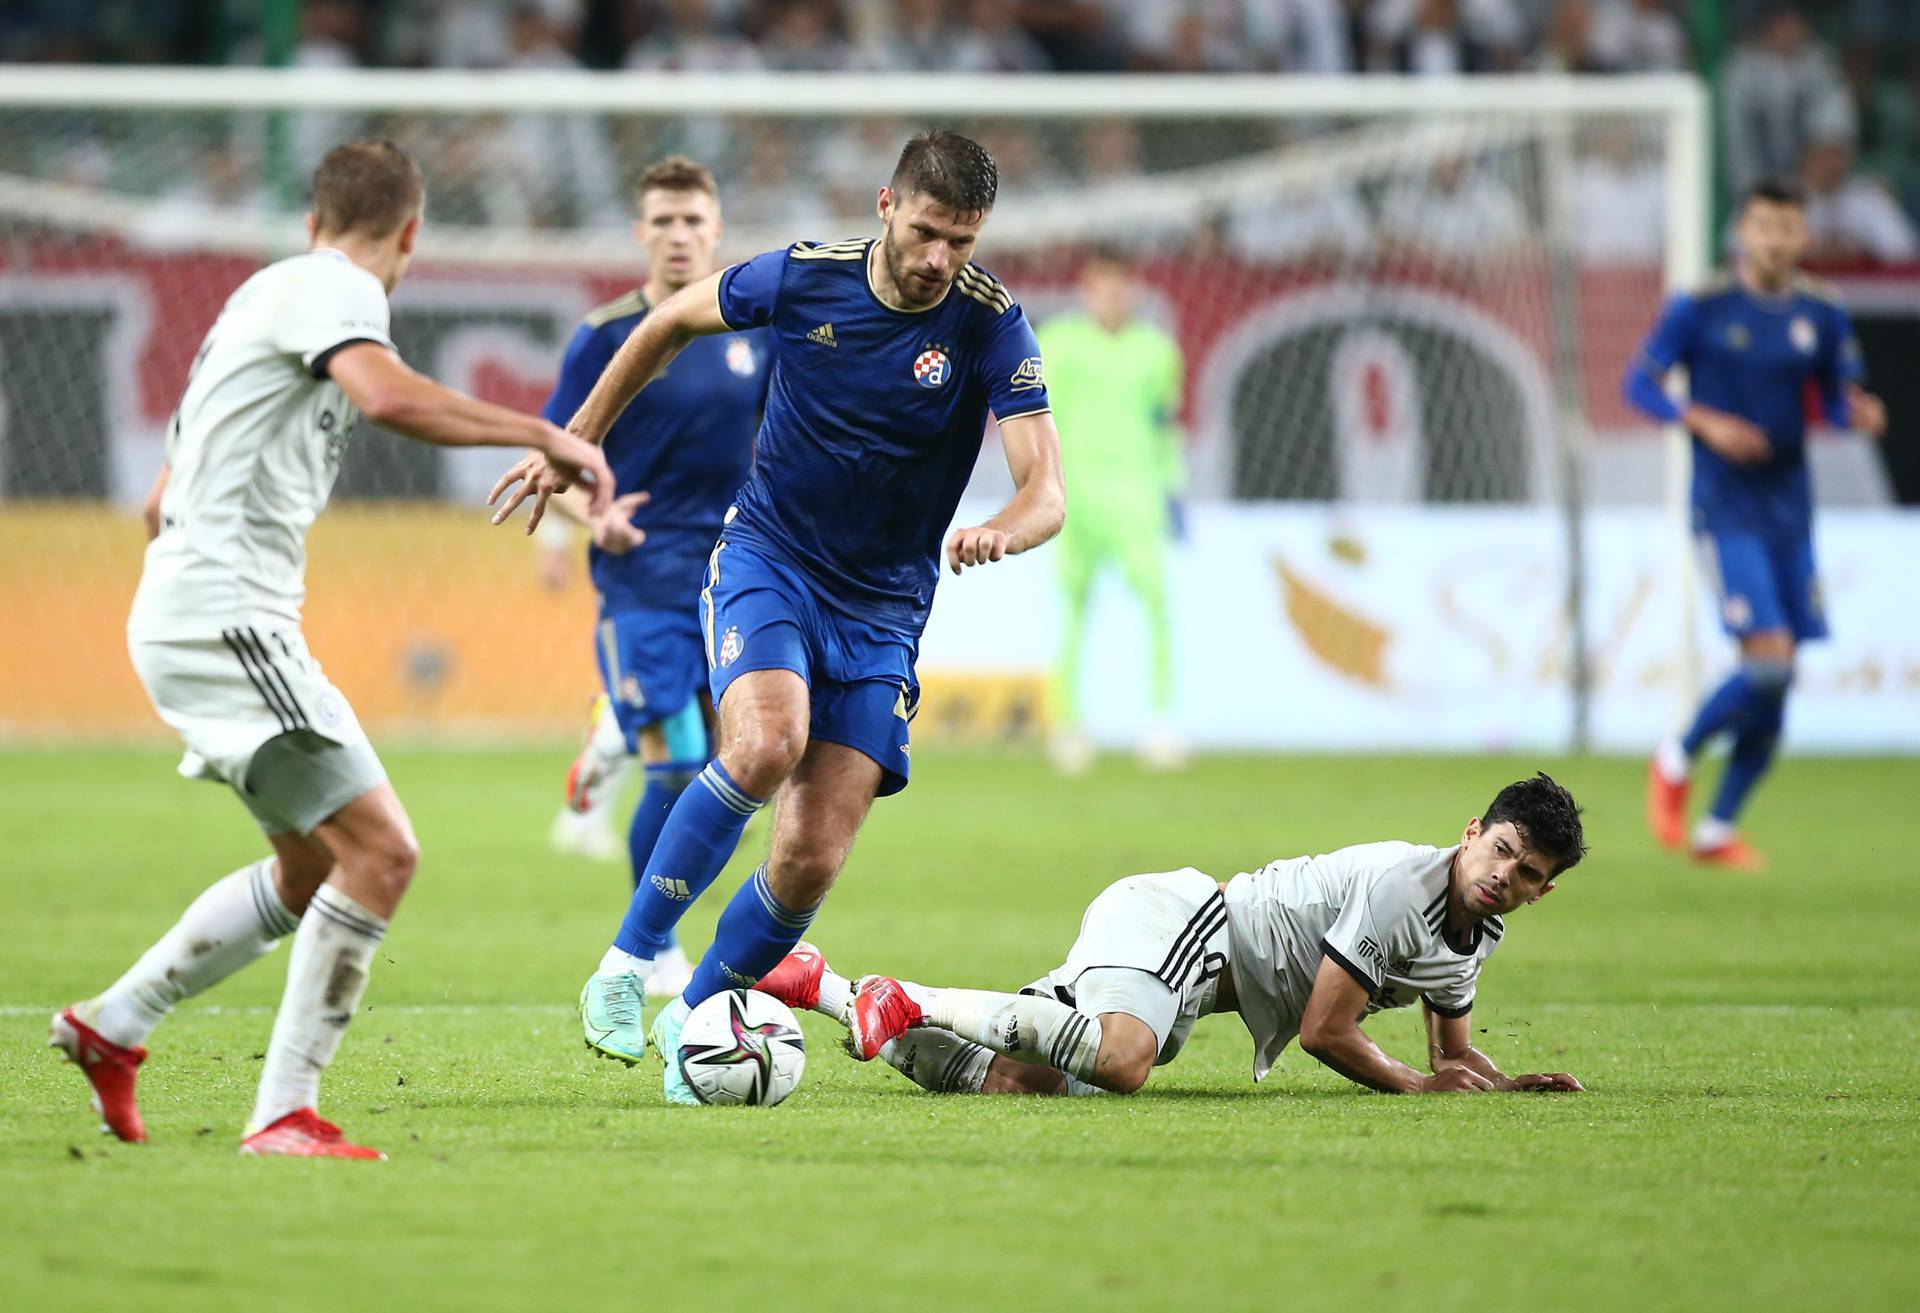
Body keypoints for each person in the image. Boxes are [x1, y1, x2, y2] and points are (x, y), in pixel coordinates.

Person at [50, 140, 611, 1158]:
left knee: (314, 867)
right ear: (410, 235)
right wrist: (547, 434)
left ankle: (113, 1025)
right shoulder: (332, 288)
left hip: (196, 608)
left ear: (312, 218)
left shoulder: (256, 302)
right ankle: (282, 1113)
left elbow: (154, 499)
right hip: (227, 614)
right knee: (386, 850)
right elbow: (387, 395)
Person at [491, 129, 1066, 1103]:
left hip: (884, 607)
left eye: (961, 242)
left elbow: (1044, 486)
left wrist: (1004, 527)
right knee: (764, 740)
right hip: (771, 558)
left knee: (809, 859)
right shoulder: (803, 278)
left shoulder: (989, 321)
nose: (940, 260)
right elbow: (668, 319)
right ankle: (627, 965)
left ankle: (694, 1027)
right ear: (886, 206)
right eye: (927, 232)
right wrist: (577, 442)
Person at [756, 774, 1587, 1098]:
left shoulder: (1472, 937)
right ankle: (907, 998)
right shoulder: (1403, 887)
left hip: (1184, 977)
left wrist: (1506, 1083)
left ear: (1540, 891)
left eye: (1524, 873)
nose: (1501, 875)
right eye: (1500, 850)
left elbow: (1454, 1055)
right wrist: (1412, 1085)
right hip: (1185, 922)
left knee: (1017, 1084)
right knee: (1122, 1062)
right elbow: (1325, 1032)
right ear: (1473, 831)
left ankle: (823, 986)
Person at [543, 156, 771, 1000]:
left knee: (740, 773)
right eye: (663, 222)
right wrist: (590, 518)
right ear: (641, 234)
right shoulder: (605, 337)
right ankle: (656, 949)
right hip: (640, 573)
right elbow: (553, 458)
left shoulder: (756, 332)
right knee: (676, 768)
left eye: (693, 221)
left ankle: (615, 721)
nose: (678, 236)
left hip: (736, 573)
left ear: (717, 231)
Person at [1627, 180, 1888, 869]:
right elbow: (1640, 385)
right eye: (1764, 225)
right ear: (1741, 232)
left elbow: (1833, 402)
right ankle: (1676, 754)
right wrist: (1705, 420)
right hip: (1724, 507)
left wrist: (1855, 414)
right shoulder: (1702, 306)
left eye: (1789, 227)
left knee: (1779, 676)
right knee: (1768, 662)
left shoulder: (1821, 313)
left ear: (1804, 238)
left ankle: (1717, 830)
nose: (1776, 239)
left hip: (1790, 511)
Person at [1037, 247, 1187, 772]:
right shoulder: (1058, 344)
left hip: (1136, 494)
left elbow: (1163, 422)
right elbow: (1036, 422)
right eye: (1103, 285)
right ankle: (1067, 724)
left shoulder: (1157, 350)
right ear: (1087, 288)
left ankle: (1161, 722)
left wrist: (1174, 487)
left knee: (1155, 604)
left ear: (1134, 289)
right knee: (1075, 608)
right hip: (1074, 495)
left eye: (1121, 286)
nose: (1112, 296)